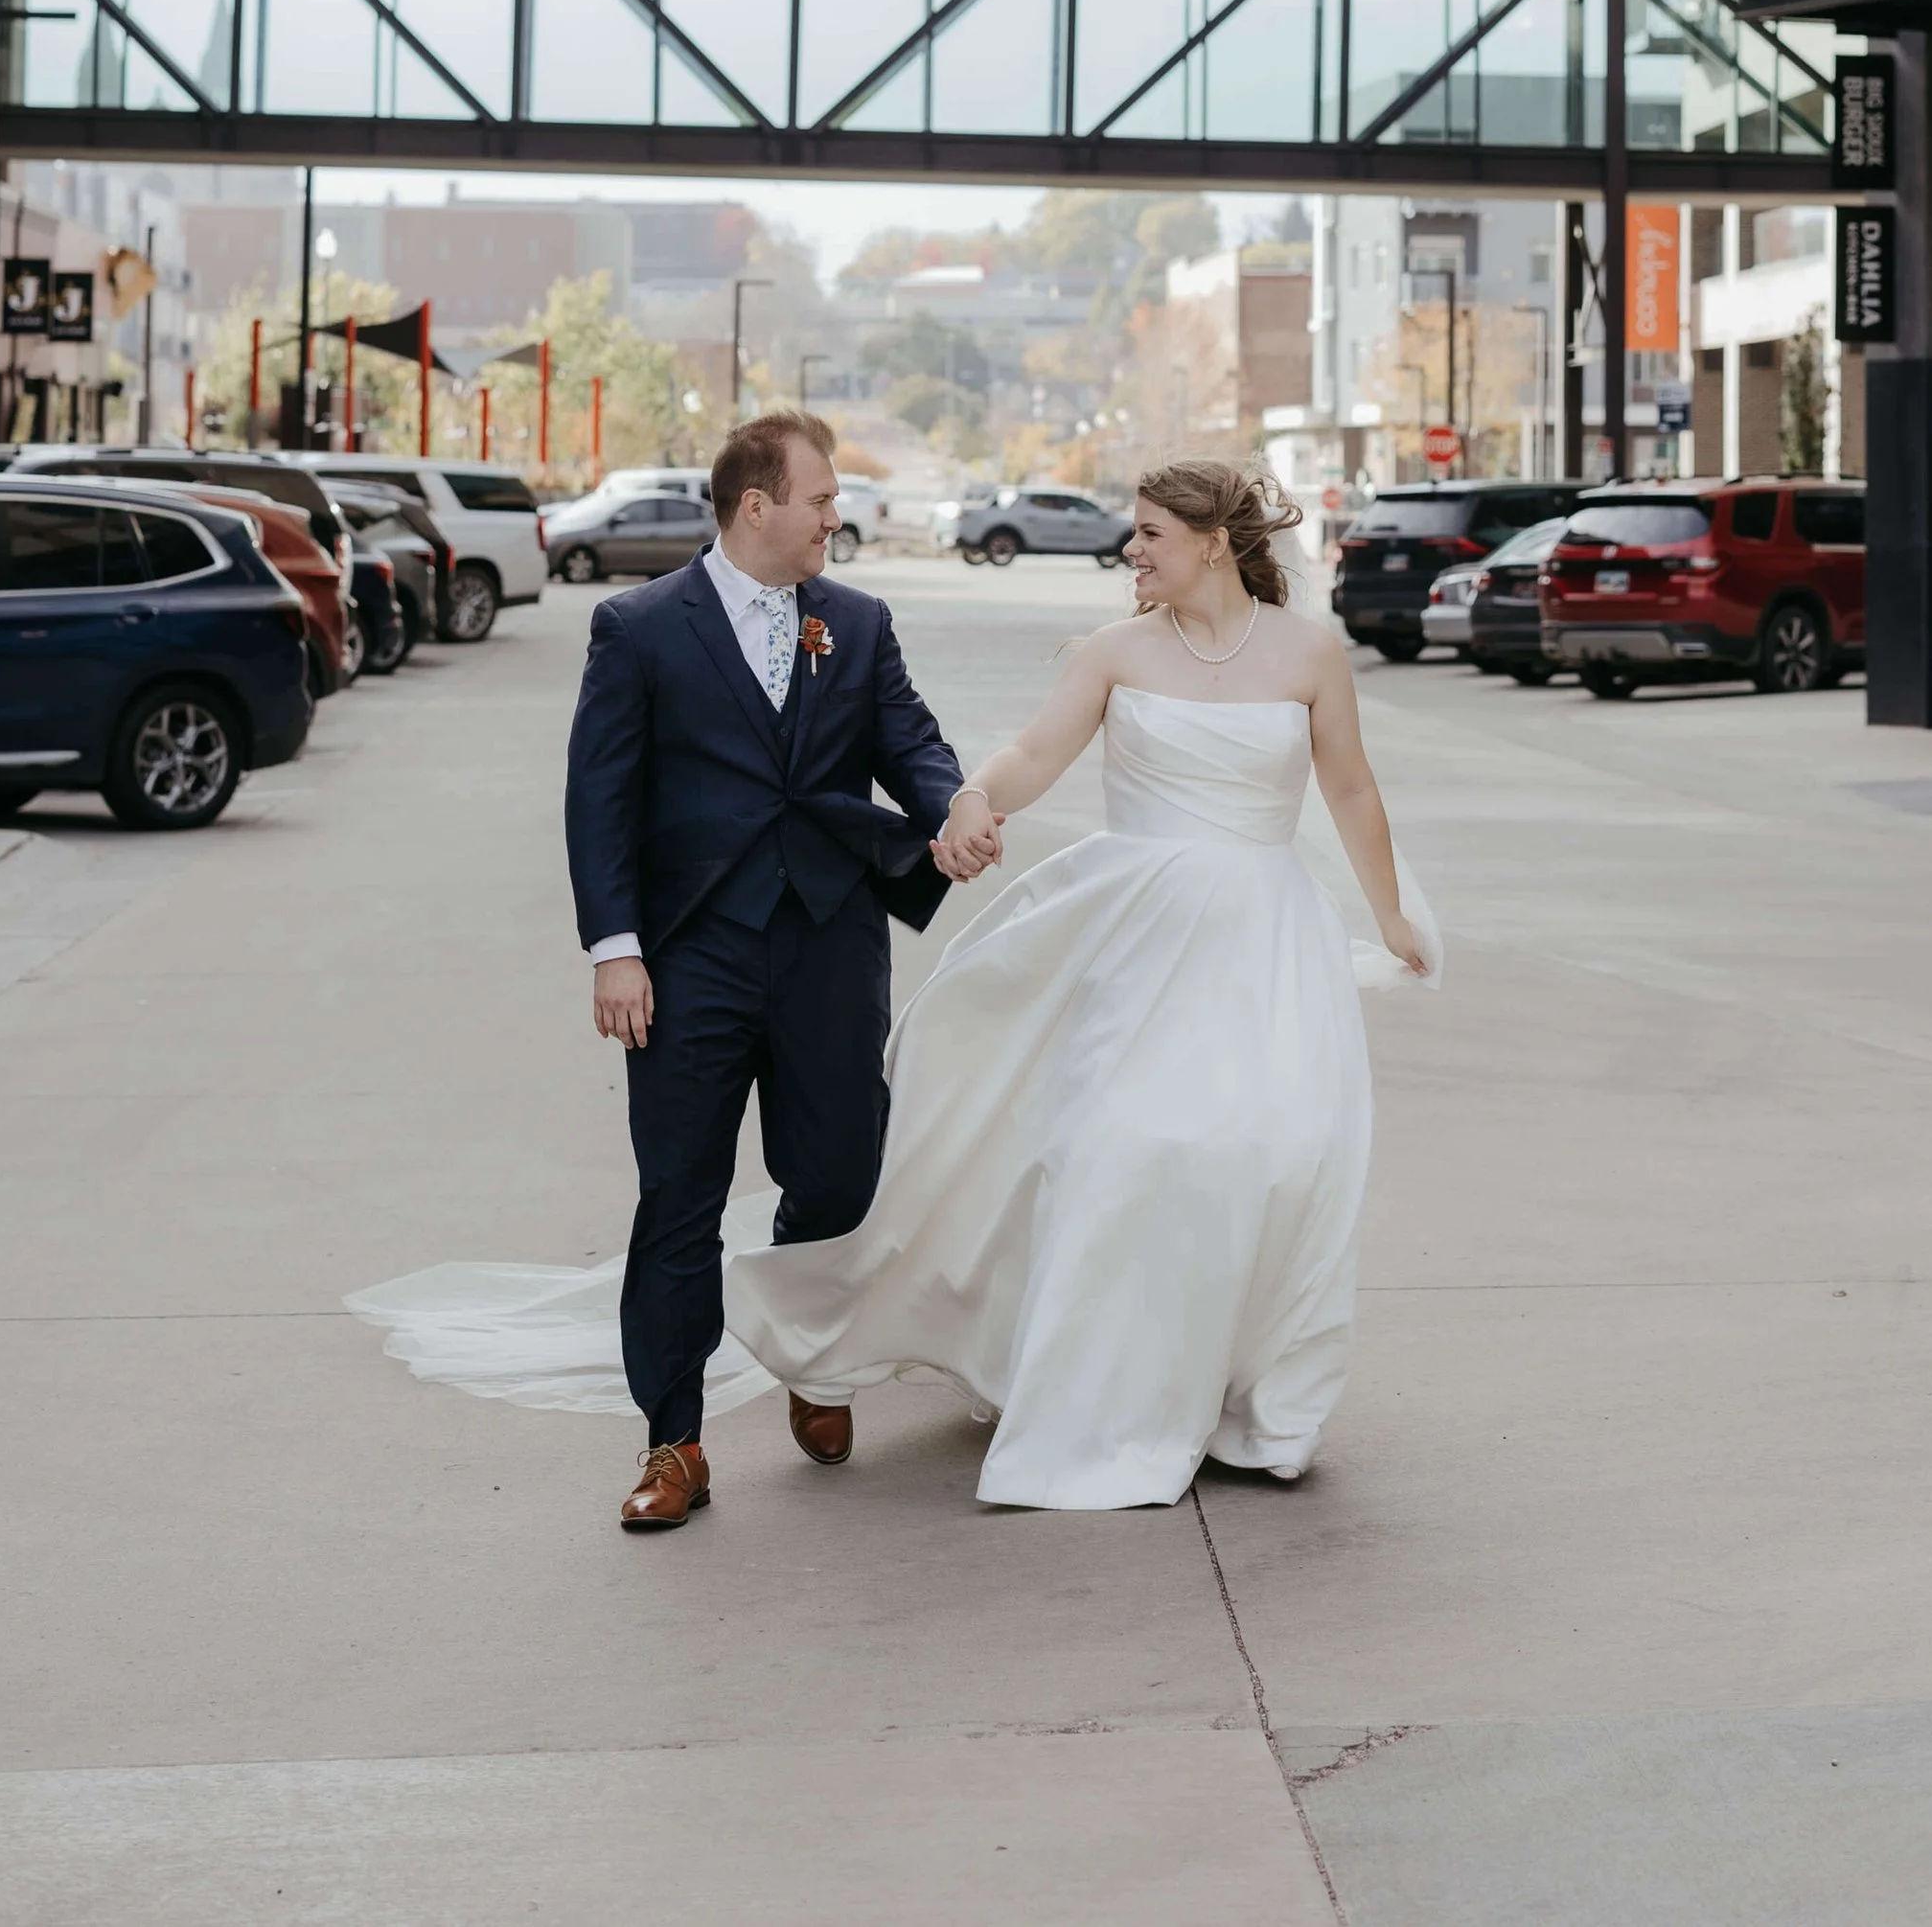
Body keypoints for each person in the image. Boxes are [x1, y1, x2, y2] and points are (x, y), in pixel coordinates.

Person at [714, 454, 1435, 1508]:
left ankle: (1256, 1395)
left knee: (1275, 1155)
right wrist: (970, 799)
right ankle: (1109, 1399)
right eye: (1131, 531)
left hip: (1265, 940)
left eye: (1148, 532)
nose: (1129, 549)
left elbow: (1351, 787)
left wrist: (1389, 914)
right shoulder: (1113, 653)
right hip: (1134, 938)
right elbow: (1035, 753)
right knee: (1127, 1150)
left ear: (1212, 541)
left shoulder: (1309, 654)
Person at [560, 408, 994, 1530]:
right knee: (678, 1203)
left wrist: (952, 811)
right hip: (689, 957)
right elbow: (599, 799)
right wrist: (616, 949)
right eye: (822, 499)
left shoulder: (854, 621)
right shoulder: (639, 628)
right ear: (757, 506)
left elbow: (912, 743)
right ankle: (673, 1442)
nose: (834, 518)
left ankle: (814, 1358)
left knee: (841, 1174)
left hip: (828, 947)